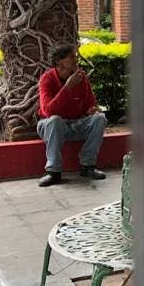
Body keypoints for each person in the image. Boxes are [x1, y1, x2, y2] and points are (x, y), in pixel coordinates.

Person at [36, 43, 108, 187]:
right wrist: (67, 87)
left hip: (75, 124)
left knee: (100, 119)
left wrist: (92, 110)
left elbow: (90, 103)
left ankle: (88, 165)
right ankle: (53, 171)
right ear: (59, 61)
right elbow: (48, 111)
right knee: (55, 120)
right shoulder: (47, 79)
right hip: (51, 127)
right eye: (71, 57)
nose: (76, 59)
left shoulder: (81, 77)